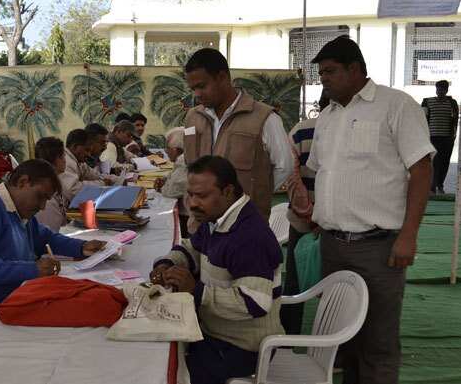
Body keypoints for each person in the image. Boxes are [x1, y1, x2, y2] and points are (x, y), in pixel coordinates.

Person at [308, 35, 434, 384]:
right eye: (321, 74)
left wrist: (408, 236)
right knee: (343, 339)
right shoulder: (327, 116)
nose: (324, 79)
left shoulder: (396, 105)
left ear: (355, 69)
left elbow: (421, 170)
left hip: (378, 248)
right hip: (332, 246)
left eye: (330, 71)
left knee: (378, 341)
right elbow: (322, 171)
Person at [150, 156, 283, 384]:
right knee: (158, 349)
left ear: (228, 192)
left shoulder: (249, 237)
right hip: (214, 332)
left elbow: (255, 303)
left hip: (242, 348)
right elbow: (192, 249)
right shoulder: (217, 218)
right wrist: (167, 264)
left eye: (201, 196)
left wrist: (196, 290)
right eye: (190, 194)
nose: (192, 203)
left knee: (163, 370)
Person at [0, 159, 106, 331]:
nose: (42, 206)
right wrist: (32, 270)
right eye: (40, 197)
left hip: (15, 302)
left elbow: (46, 238)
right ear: (23, 182)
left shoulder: (18, 210)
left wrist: (82, 247)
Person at [183, 48, 293, 222]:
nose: (197, 94)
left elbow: (285, 166)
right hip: (200, 225)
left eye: (202, 86)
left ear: (222, 77)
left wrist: (255, 194)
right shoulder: (193, 117)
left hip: (244, 226)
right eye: (193, 88)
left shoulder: (264, 118)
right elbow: (188, 165)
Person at [280, 90, 329, 335]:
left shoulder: (301, 130)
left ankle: (289, 336)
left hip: (303, 221)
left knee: (294, 280)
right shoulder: (353, 131)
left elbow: (290, 174)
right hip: (337, 223)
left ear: (319, 104)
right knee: (339, 281)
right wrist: (322, 216)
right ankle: (334, 337)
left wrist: (307, 213)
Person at [421, 79, 458, 194]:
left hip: (447, 139)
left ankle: (440, 185)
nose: (439, 92)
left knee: (444, 162)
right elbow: (422, 119)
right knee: (433, 162)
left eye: (442, 90)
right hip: (431, 138)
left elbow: (455, 120)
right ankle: (432, 187)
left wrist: (453, 136)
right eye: (438, 89)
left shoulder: (452, 103)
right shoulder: (427, 102)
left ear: (446, 90)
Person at [154, 127, 190, 237]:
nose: (166, 151)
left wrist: (162, 187)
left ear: (175, 149)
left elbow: (171, 192)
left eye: (167, 148)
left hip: (186, 216)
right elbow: (173, 176)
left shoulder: (183, 160)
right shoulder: (183, 159)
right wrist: (165, 180)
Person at [34, 137, 69, 232]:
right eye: (62, 157)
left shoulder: (52, 183)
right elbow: (51, 234)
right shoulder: (47, 199)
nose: (65, 160)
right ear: (56, 159)